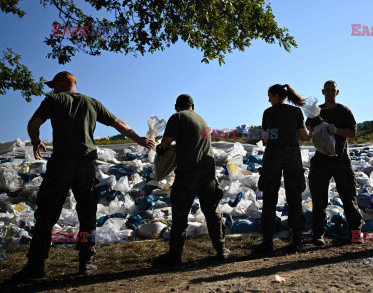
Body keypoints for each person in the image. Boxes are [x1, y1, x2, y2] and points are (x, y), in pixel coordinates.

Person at [11, 71, 155, 281]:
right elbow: (119, 123)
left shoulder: (54, 99)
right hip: (86, 164)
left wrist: (36, 142)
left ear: (62, 84)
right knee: (87, 213)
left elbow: (33, 125)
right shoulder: (92, 103)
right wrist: (139, 139)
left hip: (61, 163)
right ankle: (86, 262)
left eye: (54, 85)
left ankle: (36, 266)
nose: (52, 89)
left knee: (47, 213)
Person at [152, 94, 229, 266]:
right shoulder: (202, 120)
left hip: (188, 172)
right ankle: (222, 250)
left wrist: (160, 150)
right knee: (212, 212)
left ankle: (175, 256)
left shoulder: (177, 117)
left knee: (180, 213)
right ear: (193, 106)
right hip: (208, 171)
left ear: (176, 106)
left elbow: (166, 142)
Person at [255, 84, 310, 254]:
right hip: (292, 156)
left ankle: (268, 243)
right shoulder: (296, 112)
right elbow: (304, 136)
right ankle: (297, 242)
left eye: (270, 95)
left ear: (277, 96)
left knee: (269, 199)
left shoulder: (268, 113)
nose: (268, 99)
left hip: (272, 156)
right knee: (294, 198)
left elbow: (265, 138)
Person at [305, 80, 362, 246]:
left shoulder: (344, 111)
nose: (330, 93)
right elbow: (308, 131)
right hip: (321, 160)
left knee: (348, 196)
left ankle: (355, 233)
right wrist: (311, 131)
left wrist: (336, 130)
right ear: (323, 92)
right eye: (327, 90)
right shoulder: (316, 111)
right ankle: (318, 235)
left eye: (333, 90)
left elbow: (353, 132)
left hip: (341, 160)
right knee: (319, 198)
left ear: (337, 92)